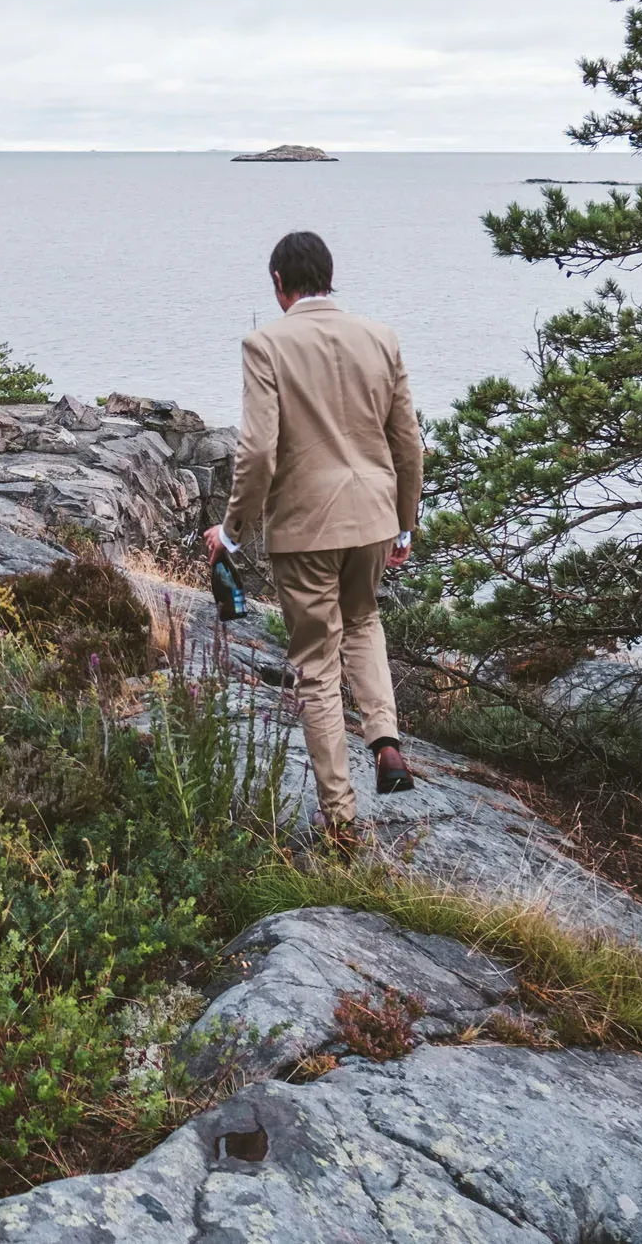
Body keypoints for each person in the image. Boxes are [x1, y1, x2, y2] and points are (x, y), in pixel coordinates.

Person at [205, 230, 421, 840]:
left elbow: (258, 454)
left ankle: (341, 819)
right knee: (363, 621)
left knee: (318, 668)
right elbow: (408, 443)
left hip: (306, 529)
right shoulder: (381, 338)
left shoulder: (266, 344)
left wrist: (233, 532)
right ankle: (385, 741)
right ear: (330, 276)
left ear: (279, 284)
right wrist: (406, 520)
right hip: (375, 518)